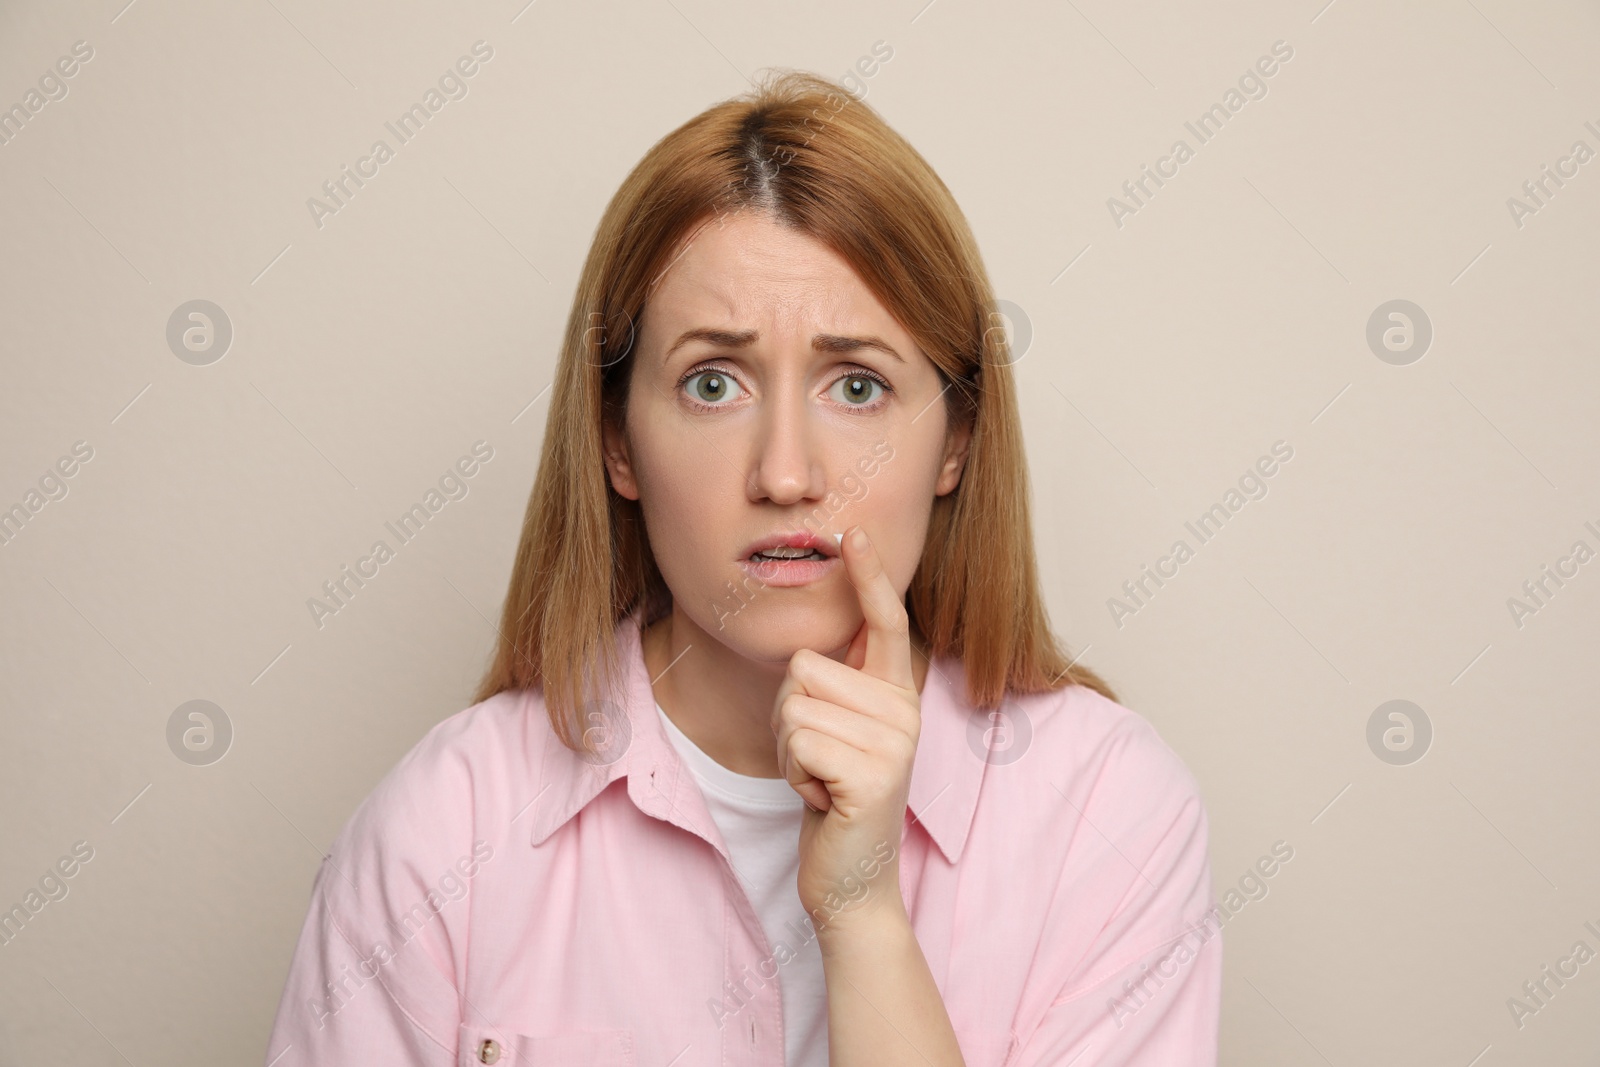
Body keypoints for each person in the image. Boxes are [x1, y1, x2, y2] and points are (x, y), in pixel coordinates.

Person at [264, 69, 1221, 1066]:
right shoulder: (442, 828)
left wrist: (862, 919)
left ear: (956, 440)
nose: (785, 472)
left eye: (856, 385)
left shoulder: (1108, 814)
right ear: (616, 442)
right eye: (711, 382)